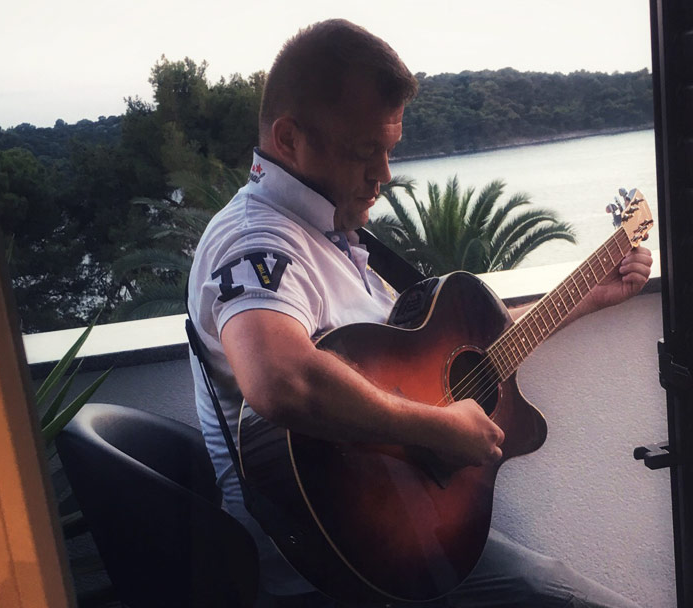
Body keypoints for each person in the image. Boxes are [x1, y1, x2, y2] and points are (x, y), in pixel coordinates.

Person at [187, 18, 651, 608]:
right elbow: (282, 379)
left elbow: (449, 353)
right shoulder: (256, 240)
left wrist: (585, 295)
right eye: (365, 152)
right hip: (333, 565)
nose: (384, 174)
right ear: (288, 139)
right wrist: (439, 429)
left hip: (404, 535)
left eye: (389, 150)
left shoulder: (329, 230)